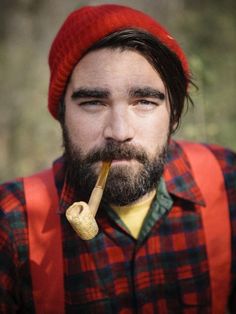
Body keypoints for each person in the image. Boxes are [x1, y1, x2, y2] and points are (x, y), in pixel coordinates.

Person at [0, 4, 235, 314]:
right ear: (61, 114)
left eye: (145, 101)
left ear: (174, 114)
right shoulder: (11, 222)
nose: (120, 132)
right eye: (94, 102)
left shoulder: (228, 183)